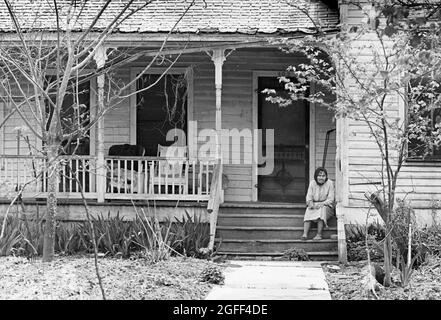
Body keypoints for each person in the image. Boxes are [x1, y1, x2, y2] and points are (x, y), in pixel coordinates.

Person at [302, 167, 335, 240]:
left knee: (321, 212)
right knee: (308, 210)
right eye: (319, 176)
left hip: (326, 206)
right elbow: (309, 196)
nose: (321, 178)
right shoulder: (312, 183)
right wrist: (311, 204)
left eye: (323, 176)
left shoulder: (330, 183)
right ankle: (305, 234)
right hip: (314, 205)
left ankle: (319, 234)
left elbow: (331, 199)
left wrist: (321, 204)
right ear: (316, 176)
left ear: (326, 177)